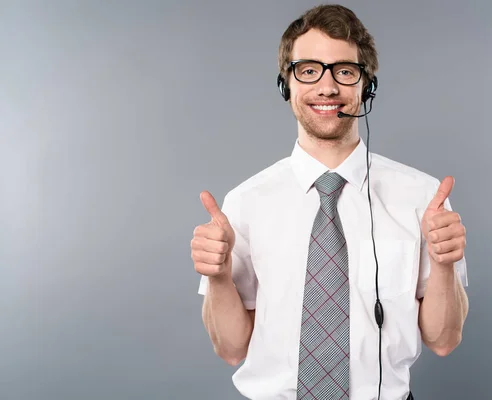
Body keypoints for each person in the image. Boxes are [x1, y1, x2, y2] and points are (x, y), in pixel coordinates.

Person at [192, 4, 469, 400]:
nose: (327, 87)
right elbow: (231, 349)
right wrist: (218, 277)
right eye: (308, 70)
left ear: (365, 85)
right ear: (286, 84)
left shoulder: (424, 200)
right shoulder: (243, 204)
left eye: (344, 71)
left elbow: (443, 341)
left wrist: (445, 264)